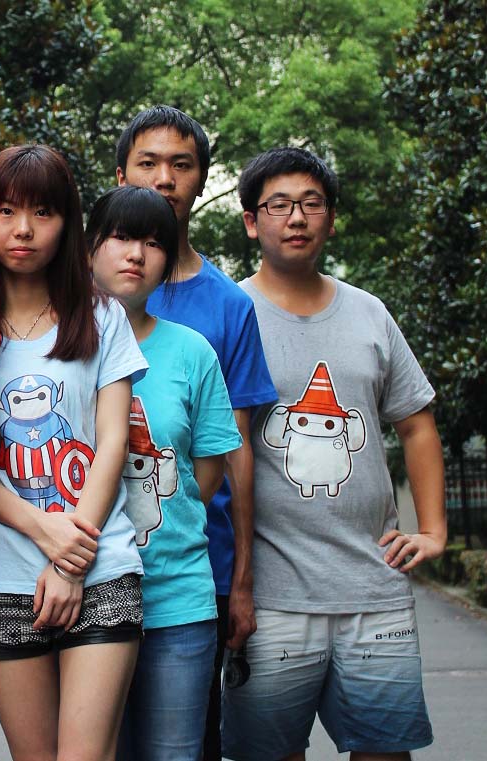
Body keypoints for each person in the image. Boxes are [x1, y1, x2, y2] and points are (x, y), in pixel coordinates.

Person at [222, 146, 445, 761]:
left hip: (374, 588)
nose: (297, 217)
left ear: (331, 219)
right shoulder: (233, 316)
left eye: (311, 204)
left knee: (384, 751)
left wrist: (433, 530)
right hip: (271, 597)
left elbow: (417, 424)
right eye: (279, 205)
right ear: (252, 221)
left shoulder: (370, 313)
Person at [0, 145, 147, 761]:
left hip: (100, 565)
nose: (23, 229)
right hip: (1, 574)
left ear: (67, 222)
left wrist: (70, 562)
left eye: (42, 212)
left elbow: (113, 440)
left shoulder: (101, 317)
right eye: (6, 211)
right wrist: (42, 529)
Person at [115, 105, 277, 760]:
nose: (164, 179)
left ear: (201, 180)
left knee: (186, 745)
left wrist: (242, 581)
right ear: (121, 175)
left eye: (181, 165)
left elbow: (235, 455)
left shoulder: (228, 305)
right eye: (148, 163)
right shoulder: (85, 299)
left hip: (193, 571)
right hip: (93, 569)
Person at [87, 185, 241, 760]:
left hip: (177, 597)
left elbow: (207, 472)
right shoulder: (55, 346)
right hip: (84, 596)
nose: (137, 254)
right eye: (122, 237)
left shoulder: (193, 351)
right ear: (89, 248)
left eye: (154, 243)